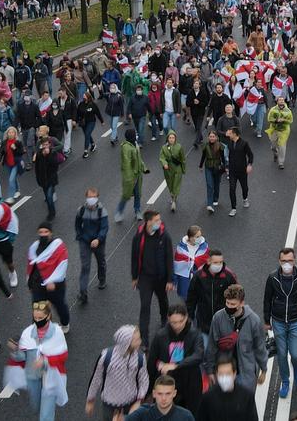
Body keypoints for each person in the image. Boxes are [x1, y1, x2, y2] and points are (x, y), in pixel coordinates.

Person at [3, 301, 70, 421]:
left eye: (40, 318)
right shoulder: (28, 333)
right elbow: (22, 357)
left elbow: (63, 356)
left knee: (45, 415)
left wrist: (45, 361)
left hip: (51, 378)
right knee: (36, 406)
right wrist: (15, 350)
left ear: (48, 316)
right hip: (33, 377)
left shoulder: (57, 333)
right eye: (35, 318)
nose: (37, 320)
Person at [263, 247, 297, 399]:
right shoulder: (272, 278)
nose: (287, 264)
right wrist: (266, 320)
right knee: (282, 354)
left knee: (296, 355)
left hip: (296, 321)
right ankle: (285, 381)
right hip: (278, 321)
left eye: (290, 261)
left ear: (294, 260)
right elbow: (267, 300)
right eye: (284, 261)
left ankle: (296, 368)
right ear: (279, 261)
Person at [204, 284, 268, 394]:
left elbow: (260, 347)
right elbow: (212, 346)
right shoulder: (218, 318)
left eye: (233, 304)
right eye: (227, 303)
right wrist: (210, 371)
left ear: (242, 303)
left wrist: (264, 369)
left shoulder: (254, 321)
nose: (229, 306)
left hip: (246, 374)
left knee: (245, 404)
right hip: (224, 372)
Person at [148, 306, 205, 414]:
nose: (177, 325)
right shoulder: (160, 336)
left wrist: (176, 365)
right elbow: (152, 362)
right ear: (168, 319)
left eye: (180, 321)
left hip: (190, 383)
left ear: (186, 317)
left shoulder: (195, 334)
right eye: (174, 322)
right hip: (168, 383)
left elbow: (198, 355)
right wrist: (149, 389)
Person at [133, 211, 174, 345]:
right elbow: (134, 257)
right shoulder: (139, 236)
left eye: (159, 219)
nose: (159, 222)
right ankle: (144, 339)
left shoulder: (164, 236)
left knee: (163, 300)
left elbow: (169, 258)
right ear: (148, 222)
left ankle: (164, 318)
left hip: (160, 277)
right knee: (145, 306)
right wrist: (134, 277)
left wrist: (169, 280)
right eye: (156, 220)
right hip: (145, 278)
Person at [27, 222, 71, 332]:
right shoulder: (34, 247)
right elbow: (31, 266)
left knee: (60, 306)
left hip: (55, 286)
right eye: (41, 232)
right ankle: (41, 329)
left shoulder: (58, 246)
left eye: (46, 232)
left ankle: (65, 323)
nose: (43, 234)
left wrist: (53, 281)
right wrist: (29, 282)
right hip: (38, 284)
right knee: (38, 309)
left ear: (51, 233)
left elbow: (62, 264)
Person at [186, 249, 236, 344]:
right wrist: (189, 317)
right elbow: (191, 299)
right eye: (216, 262)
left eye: (221, 262)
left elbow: (236, 297)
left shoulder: (228, 276)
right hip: (204, 323)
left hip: (223, 324)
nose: (219, 265)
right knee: (205, 352)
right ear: (208, 261)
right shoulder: (198, 277)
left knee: (223, 353)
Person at [74, 187, 110, 305]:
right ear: (86, 197)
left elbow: (105, 228)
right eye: (89, 197)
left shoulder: (102, 211)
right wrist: (80, 235)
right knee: (85, 266)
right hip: (84, 242)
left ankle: (102, 279)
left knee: (101, 261)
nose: (91, 199)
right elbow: (78, 224)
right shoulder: (81, 210)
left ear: (97, 198)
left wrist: (98, 239)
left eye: (94, 197)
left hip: (98, 242)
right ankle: (83, 292)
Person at [196, 355, 257, 421]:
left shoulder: (247, 397)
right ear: (216, 374)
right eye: (221, 374)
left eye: (228, 374)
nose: (224, 378)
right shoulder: (207, 398)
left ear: (234, 374)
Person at [126, 375, 195, 421]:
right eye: (160, 394)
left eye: (168, 394)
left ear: (174, 393)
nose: (164, 398)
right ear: (154, 394)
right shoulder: (142, 413)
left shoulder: (186, 416)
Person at [119, 128, 148, 223]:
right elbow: (126, 164)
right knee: (126, 195)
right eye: (135, 134)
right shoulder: (126, 148)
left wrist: (144, 168)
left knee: (138, 194)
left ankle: (137, 210)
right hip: (131, 177)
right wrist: (129, 178)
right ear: (131, 136)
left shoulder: (135, 145)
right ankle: (119, 211)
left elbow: (139, 158)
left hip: (138, 175)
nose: (136, 136)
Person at [225, 127, 254, 216]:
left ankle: (245, 198)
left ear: (235, 134)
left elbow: (250, 155)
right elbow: (228, 155)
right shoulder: (229, 143)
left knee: (244, 187)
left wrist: (249, 165)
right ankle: (233, 208)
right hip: (232, 170)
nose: (229, 135)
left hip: (242, 171)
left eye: (230, 133)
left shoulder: (244, 143)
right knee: (232, 189)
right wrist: (227, 166)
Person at [160, 131, 187, 212]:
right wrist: (164, 163)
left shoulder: (179, 147)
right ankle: (173, 197)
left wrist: (183, 169)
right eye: (170, 138)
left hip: (177, 168)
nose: (171, 139)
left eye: (173, 138)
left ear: (175, 139)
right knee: (170, 184)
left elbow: (183, 159)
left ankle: (174, 202)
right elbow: (162, 157)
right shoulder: (164, 148)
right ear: (167, 138)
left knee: (176, 184)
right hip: (168, 169)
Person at [266, 96, 293, 168]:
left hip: (284, 130)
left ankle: (281, 162)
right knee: (273, 146)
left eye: (282, 100)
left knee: (282, 146)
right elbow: (269, 119)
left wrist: (284, 120)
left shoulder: (288, 111)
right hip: (274, 129)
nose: (281, 101)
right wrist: (276, 120)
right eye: (280, 100)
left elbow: (291, 120)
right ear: (277, 102)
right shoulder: (273, 110)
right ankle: (275, 153)